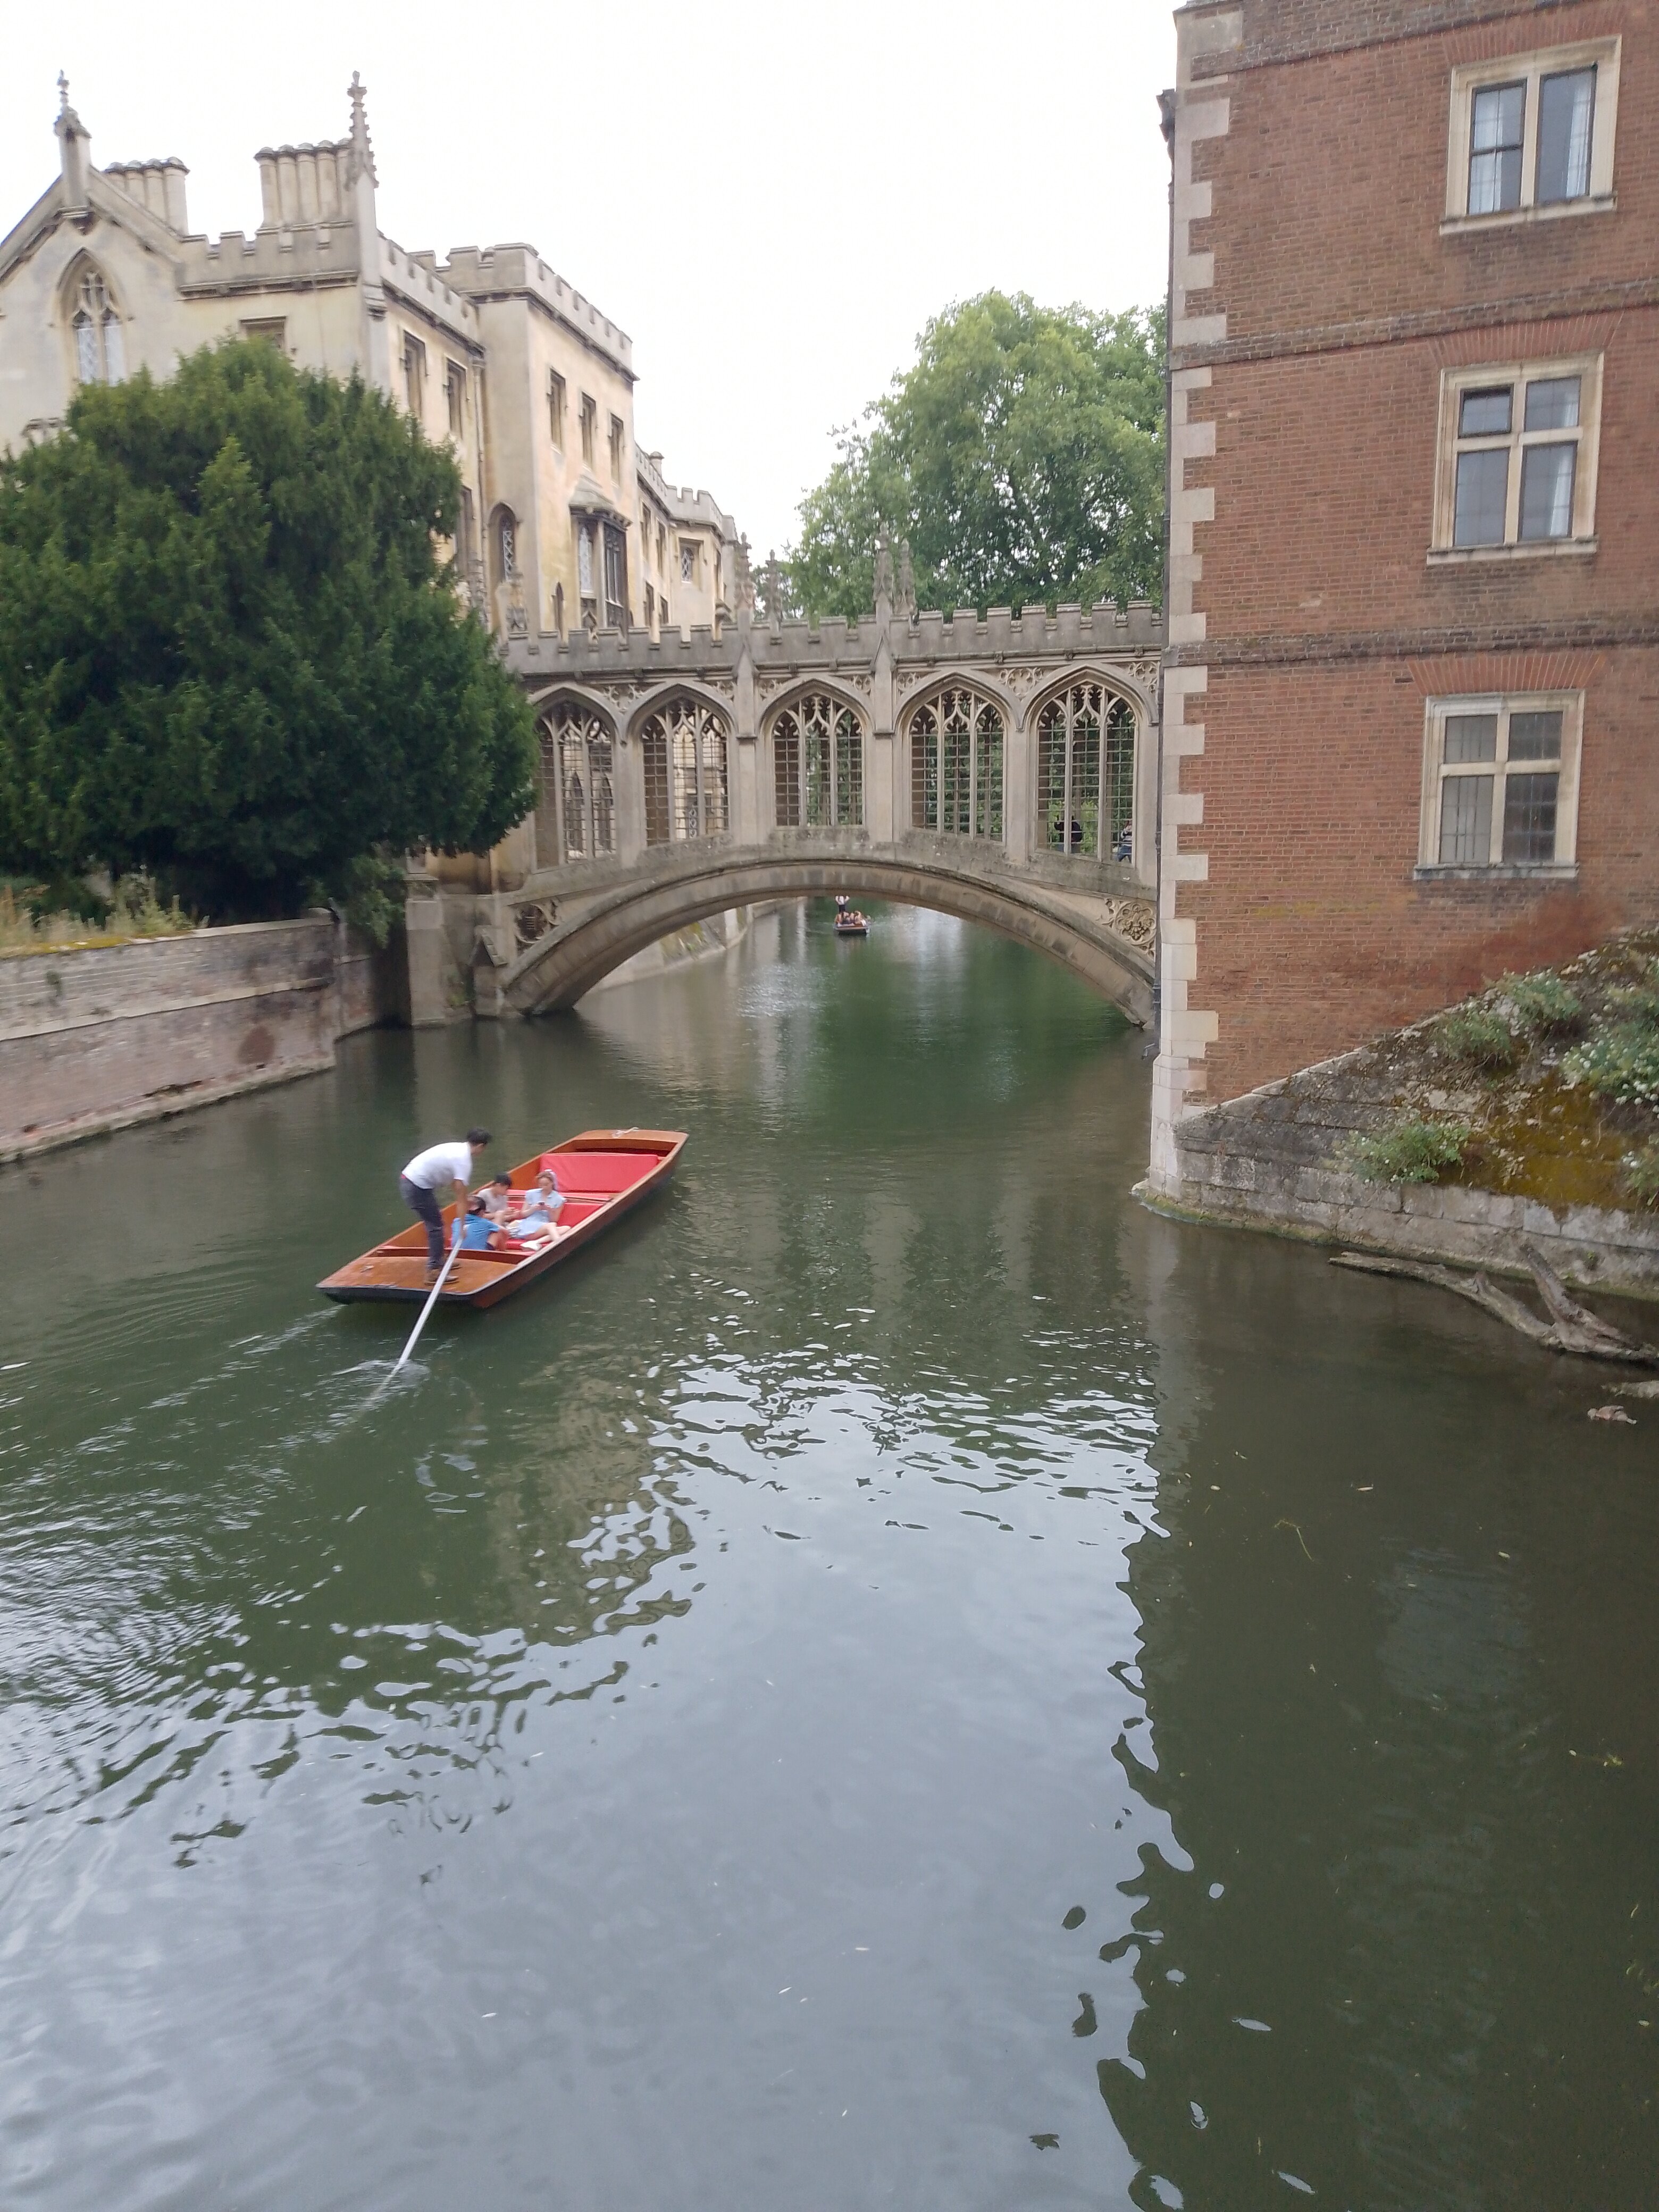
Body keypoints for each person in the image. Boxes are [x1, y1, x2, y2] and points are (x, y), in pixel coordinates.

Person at [399, 1128, 491, 1280]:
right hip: (416, 1187)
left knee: (437, 1222)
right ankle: (433, 1271)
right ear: (481, 1146)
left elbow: (456, 1185)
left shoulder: (456, 1148)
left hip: (412, 1182)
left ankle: (439, 1260)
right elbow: (461, 1200)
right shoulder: (464, 1161)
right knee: (436, 1227)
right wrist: (462, 1227)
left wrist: (464, 1197)